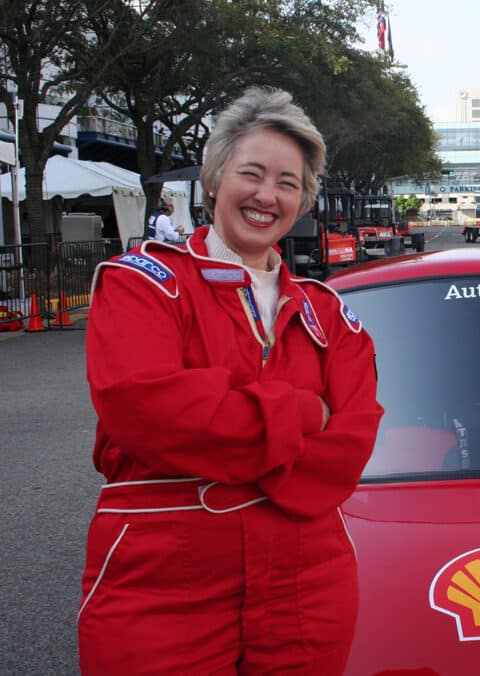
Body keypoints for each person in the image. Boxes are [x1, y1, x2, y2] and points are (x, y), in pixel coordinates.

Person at [78, 87, 384, 674]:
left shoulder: (331, 314)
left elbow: (351, 443)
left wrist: (221, 426)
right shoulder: (141, 284)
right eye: (252, 173)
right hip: (161, 584)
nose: (268, 196)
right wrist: (300, 414)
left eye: (288, 183)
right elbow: (146, 410)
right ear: (215, 179)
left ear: (303, 200)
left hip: (308, 585)